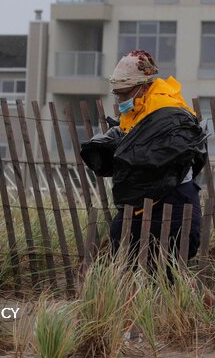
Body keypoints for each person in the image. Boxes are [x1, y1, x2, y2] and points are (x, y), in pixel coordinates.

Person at [81, 50, 208, 266]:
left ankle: (199, 301)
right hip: (140, 201)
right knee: (122, 252)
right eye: (117, 93)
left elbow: (145, 159)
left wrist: (120, 152)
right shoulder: (138, 110)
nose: (120, 99)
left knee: (170, 268)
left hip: (174, 199)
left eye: (125, 92)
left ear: (144, 87)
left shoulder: (168, 112)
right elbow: (131, 147)